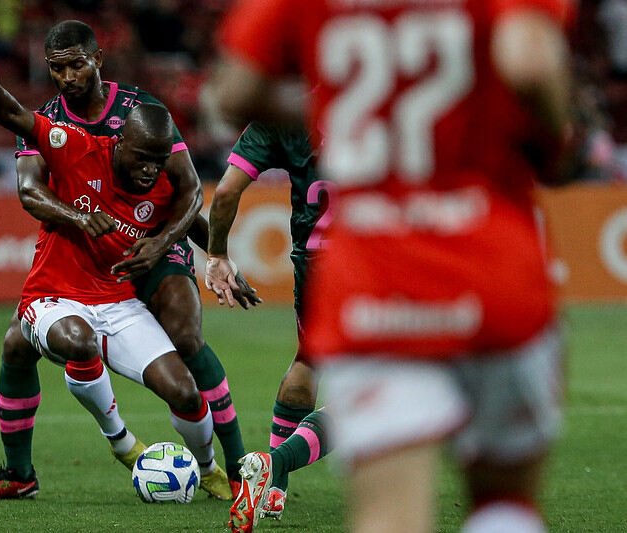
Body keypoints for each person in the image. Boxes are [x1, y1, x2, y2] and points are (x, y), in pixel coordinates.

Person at [213, 1, 573, 532]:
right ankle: (278, 471)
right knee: (506, 499)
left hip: (373, 276)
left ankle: (275, 473)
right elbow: (532, 63)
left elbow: (232, 93)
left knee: (388, 512)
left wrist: (335, 105)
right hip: (489, 263)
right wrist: (553, 141)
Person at [0, 20, 244, 502]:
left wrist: (214, 255)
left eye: (76, 64)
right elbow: (26, 173)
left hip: (147, 253)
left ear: (98, 59)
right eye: (57, 68)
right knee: (23, 344)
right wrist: (74, 215)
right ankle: (76, 458)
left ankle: (228, 469)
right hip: (71, 269)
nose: (67, 76)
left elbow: (187, 194)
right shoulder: (70, 139)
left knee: (187, 351)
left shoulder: (143, 116)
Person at [205, 121, 331, 522]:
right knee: (382, 391)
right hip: (375, 255)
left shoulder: (281, 112)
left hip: (316, 262)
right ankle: (274, 465)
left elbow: (224, 191)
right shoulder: (378, 96)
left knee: (307, 362)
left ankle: (273, 493)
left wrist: (217, 256)